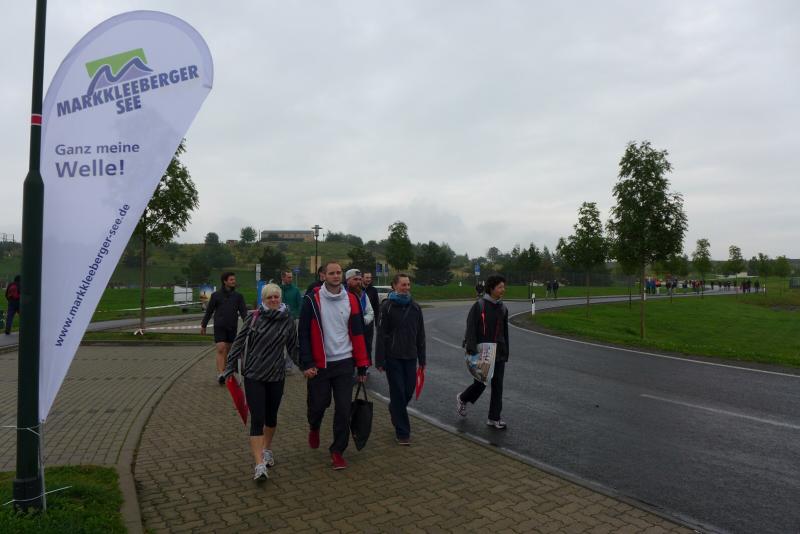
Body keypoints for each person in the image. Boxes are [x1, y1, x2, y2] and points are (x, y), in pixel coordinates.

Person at [298, 261, 370, 470]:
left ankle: (337, 450)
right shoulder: (311, 300)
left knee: (344, 409)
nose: (336, 276)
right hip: (320, 364)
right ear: (323, 276)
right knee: (318, 405)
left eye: (339, 272)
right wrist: (307, 363)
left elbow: (359, 333)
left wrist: (362, 365)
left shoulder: (351, 299)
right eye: (332, 273)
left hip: (344, 362)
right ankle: (314, 426)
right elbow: (303, 333)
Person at [224, 283, 297, 481]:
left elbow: (293, 348)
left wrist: (308, 367)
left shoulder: (287, 320)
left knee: (271, 417)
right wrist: (229, 367)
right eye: (269, 297)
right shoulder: (254, 317)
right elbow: (238, 343)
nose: (273, 300)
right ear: (263, 300)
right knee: (257, 418)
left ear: (280, 298)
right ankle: (259, 465)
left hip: (276, 375)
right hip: (254, 375)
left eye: (276, 297)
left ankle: (266, 449)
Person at [375, 273, 425, 445]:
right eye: (403, 284)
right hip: (393, 357)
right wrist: (379, 360)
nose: (406, 288)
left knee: (408, 391)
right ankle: (403, 432)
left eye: (408, 284)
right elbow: (381, 335)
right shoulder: (387, 307)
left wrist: (422, 359)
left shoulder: (415, 307)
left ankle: (394, 409)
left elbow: (421, 335)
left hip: (410, 356)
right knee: (397, 392)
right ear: (394, 286)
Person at [456, 274, 510, 429]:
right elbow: (471, 327)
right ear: (491, 288)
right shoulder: (479, 306)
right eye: (500, 287)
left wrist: (506, 350)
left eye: (503, 287)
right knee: (481, 383)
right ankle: (463, 398)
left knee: (498, 385)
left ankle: (494, 418)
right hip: (483, 351)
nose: (503, 290)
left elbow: (504, 332)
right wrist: (472, 348)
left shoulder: (503, 308)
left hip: (498, 352)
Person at [201, 272, 248, 385]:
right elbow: (209, 311)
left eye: (234, 279)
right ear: (225, 281)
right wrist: (204, 325)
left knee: (230, 351)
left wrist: (248, 325)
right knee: (221, 348)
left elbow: (244, 313)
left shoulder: (238, 296)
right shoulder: (216, 295)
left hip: (232, 327)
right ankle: (221, 374)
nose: (234, 281)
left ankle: (228, 371)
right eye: (231, 280)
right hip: (219, 326)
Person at [345, 269, 374, 360]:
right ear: (347, 280)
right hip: (346, 334)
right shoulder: (342, 295)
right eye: (355, 279)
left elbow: (370, 312)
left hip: (361, 331)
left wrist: (363, 320)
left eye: (359, 279)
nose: (358, 282)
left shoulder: (364, 295)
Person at [280, 270, 302, 372]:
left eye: (291, 277)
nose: (291, 279)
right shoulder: (278, 290)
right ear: (283, 278)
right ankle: (279, 363)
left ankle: (288, 365)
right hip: (279, 320)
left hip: (291, 320)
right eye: (289, 277)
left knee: (291, 342)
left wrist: (295, 315)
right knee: (279, 342)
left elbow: (300, 305)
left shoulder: (296, 290)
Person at [362, 272, 381, 357]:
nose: (369, 279)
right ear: (362, 278)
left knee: (368, 344)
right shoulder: (358, 289)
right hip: (359, 321)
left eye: (370, 278)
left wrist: (377, 323)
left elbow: (376, 307)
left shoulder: (373, 290)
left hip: (370, 322)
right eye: (367, 277)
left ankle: (368, 361)